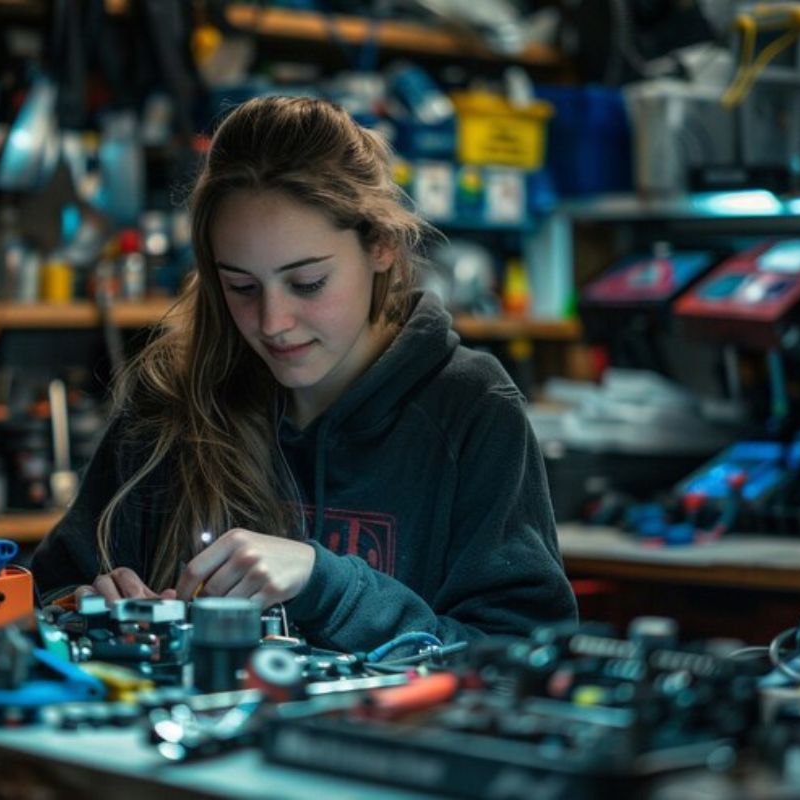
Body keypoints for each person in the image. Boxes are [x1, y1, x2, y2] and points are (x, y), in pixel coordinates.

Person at [30, 95, 576, 652]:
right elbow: (43, 595)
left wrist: (327, 585)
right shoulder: (169, 401)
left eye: (307, 283)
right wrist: (86, 609)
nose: (273, 323)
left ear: (381, 245)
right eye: (241, 287)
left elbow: (520, 660)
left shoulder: (472, 409)